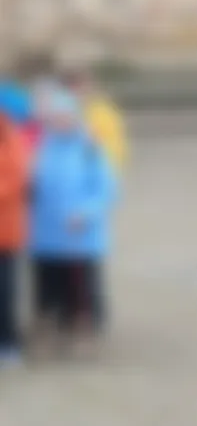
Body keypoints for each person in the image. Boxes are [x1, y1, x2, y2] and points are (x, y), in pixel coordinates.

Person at [28, 88, 117, 347]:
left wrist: (86, 212)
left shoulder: (89, 149)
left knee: (80, 290)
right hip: (46, 236)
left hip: (80, 235)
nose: (60, 122)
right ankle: (51, 330)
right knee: (48, 288)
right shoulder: (43, 148)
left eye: (65, 117)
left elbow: (106, 189)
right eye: (56, 117)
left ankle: (84, 333)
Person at [0, 110, 25, 363]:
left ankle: (8, 343)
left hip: (4, 234)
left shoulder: (9, 138)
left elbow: (14, 178)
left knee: (4, 293)